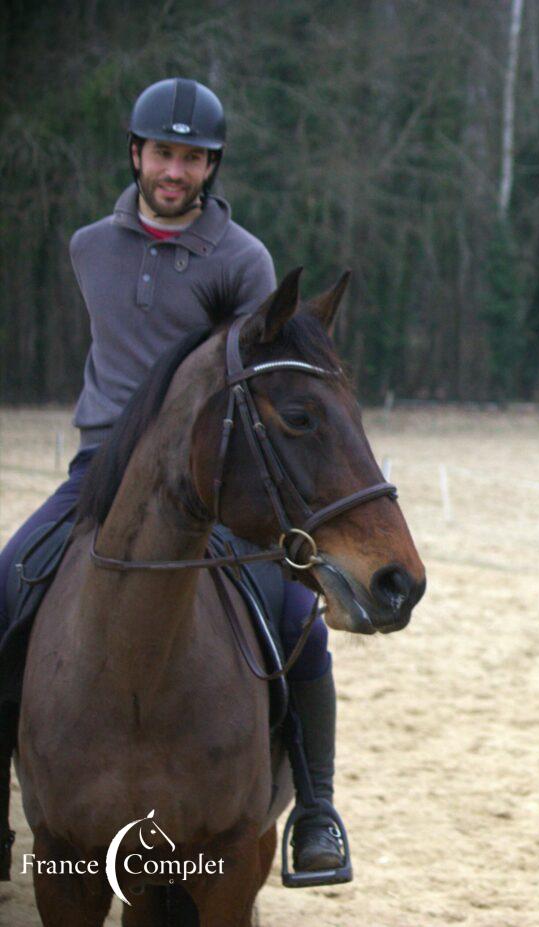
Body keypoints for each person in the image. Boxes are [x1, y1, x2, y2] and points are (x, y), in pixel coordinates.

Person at [0, 77, 346, 878]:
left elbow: (258, 378)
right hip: (100, 468)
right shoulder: (90, 245)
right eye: (165, 152)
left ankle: (319, 812)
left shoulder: (243, 259)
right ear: (136, 152)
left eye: (194, 158)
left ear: (211, 167)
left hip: (207, 479)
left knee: (302, 616)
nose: (177, 171)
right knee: (6, 585)